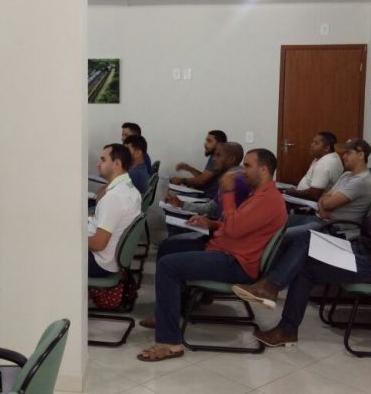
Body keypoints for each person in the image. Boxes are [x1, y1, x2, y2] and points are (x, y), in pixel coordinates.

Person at [232, 156, 371, 347]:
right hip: (362, 250)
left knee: (305, 265)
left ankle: (277, 302)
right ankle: (276, 299)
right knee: (306, 239)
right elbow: (370, 224)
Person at [136, 149, 287, 362]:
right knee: (168, 247)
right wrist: (212, 224)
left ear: (263, 170)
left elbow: (234, 228)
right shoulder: (259, 194)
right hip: (224, 249)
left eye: (248, 166)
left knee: (168, 266)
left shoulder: (268, 199)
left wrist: (227, 192)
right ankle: (167, 314)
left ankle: (170, 343)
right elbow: (238, 226)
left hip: (236, 263)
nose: (243, 171)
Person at [277, 138, 371, 243]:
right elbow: (324, 199)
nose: (343, 156)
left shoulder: (361, 181)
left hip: (330, 227)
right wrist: (324, 205)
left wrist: (325, 205)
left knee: (279, 237)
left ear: (360, 155)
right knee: (275, 222)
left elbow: (327, 204)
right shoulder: (347, 175)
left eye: (348, 153)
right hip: (320, 218)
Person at [88, 144, 142, 277]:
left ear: (117, 163)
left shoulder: (114, 198)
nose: (98, 164)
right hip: (109, 259)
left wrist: (71, 238)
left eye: (103, 160)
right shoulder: (129, 188)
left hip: (98, 261)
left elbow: (98, 244)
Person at [166, 141, 246, 220]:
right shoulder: (232, 175)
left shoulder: (235, 179)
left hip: (221, 222)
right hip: (218, 220)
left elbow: (217, 213)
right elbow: (211, 206)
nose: (214, 159)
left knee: (174, 215)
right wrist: (181, 204)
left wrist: (182, 204)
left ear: (231, 159)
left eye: (218, 155)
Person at [282, 131, 343, 201]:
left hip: (309, 203)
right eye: (313, 142)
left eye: (316, 143)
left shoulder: (324, 164)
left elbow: (314, 195)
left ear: (326, 148)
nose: (311, 145)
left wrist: (294, 192)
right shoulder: (331, 156)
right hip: (303, 197)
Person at [170, 130, 227, 198]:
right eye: (206, 141)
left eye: (209, 141)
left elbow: (201, 181)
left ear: (219, 144)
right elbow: (204, 178)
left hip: (209, 198)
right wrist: (189, 168)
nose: (205, 144)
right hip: (207, 194)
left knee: (172, 199)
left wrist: (182, 180)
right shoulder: (216, 156)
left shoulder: (217, 158)